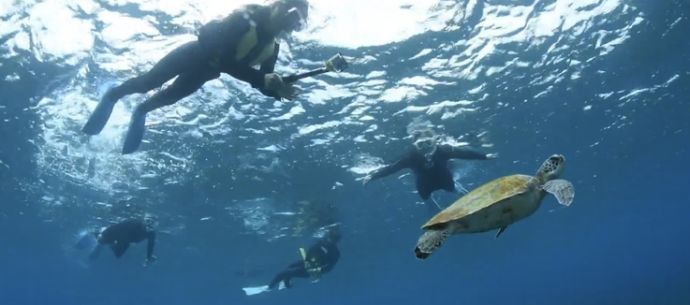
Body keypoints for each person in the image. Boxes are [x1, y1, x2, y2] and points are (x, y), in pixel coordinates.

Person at [82, 0, 310, 154]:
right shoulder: (246, 17)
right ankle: (113, 94)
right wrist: (264, 81)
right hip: (193, 54)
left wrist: (278, 89)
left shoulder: (272, 47)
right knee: (148, 83)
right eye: (291, 15)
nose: (290, 25)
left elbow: (261, 81)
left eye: (297, 24)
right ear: (278, 5)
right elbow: (225, 59)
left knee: (167, 99)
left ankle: (140, 112)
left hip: (206, 72)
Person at [363, 132, 497, 205]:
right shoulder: (410, 157)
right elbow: (392, 168)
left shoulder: (444, 150)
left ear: (435, 142)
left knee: (456, 190)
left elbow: (465, 153)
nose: (426, 147)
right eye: (421, 145)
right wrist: (372, 176)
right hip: (424, 187)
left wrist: (484, 156)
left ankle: (477, 203)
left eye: (429, 142)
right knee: (429, 203)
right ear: (415, 146)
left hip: (445, 180)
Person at [268, 228, 341, 290]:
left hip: (311, 269)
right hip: (307, 262)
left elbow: (329, 267)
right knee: (290, 267)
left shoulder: (335, 253)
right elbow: (311, 250)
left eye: (333, 238)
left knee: (284, 273)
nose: (330, 239)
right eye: (330, 237)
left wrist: (318, 271)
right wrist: (307, 259)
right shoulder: (321, 242)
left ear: (336, 240)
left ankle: (270, 287)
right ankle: (287, 283)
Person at [89, 218, 157, 265]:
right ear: (144, 221)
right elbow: (116, 226)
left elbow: (150, 245)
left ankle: (109, 244)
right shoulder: (134, 222)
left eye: (152, 224)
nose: (149, 226)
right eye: (148, 222)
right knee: (102, 241)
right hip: (115, 234)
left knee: (118, 255)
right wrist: (103, 234)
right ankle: (97, 231)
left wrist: (148, 257)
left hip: (125, 242)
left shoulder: (151, 233)